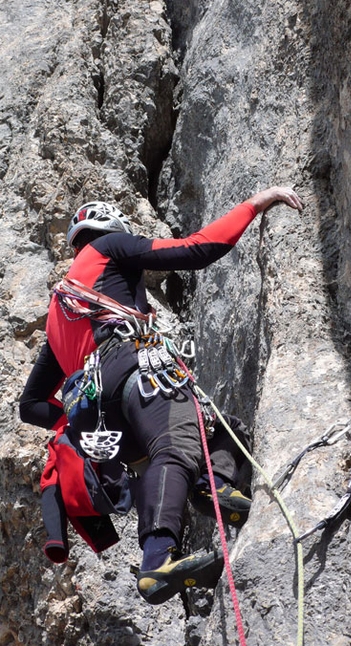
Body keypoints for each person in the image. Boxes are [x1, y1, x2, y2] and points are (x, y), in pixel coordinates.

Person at [20, 186, 303, 604]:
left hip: (97, 415)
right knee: (179, 444)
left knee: (178, 450)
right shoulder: (109, 247)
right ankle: (185, 523)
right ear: (109, 230)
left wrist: (73, 418)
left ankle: (188, 518)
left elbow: (30, 405)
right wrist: (254, 204)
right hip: (131, 365)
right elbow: (195, 250)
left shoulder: (60, 308)